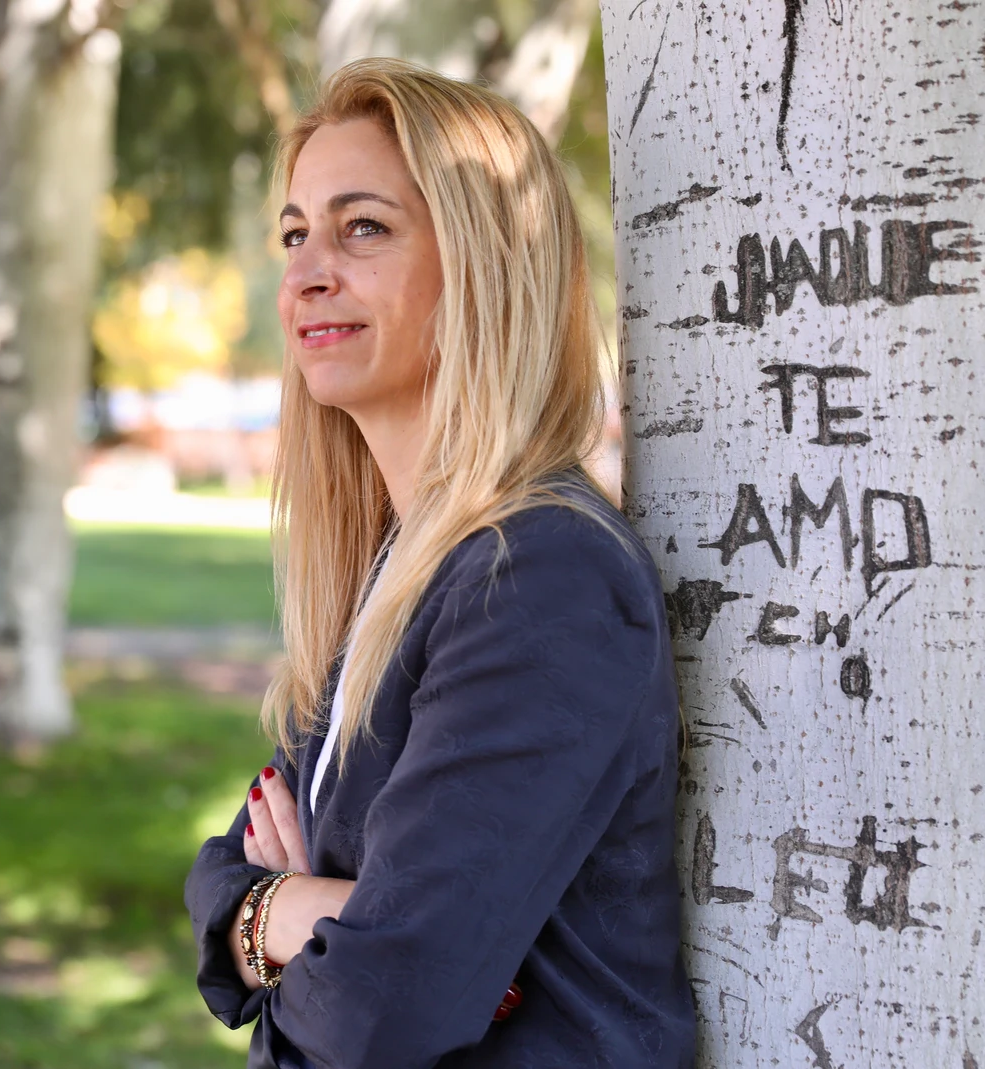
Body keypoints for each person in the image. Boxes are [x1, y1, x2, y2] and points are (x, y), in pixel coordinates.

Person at [182, 57, 696, 1068]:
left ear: (482, 258)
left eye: (362, 227)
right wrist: (280, 912)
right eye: (294, 233)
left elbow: (384, 1006)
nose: (306, 272)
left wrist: (283, 923)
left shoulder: (540, 576)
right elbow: (219, 876)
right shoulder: (392, 568)